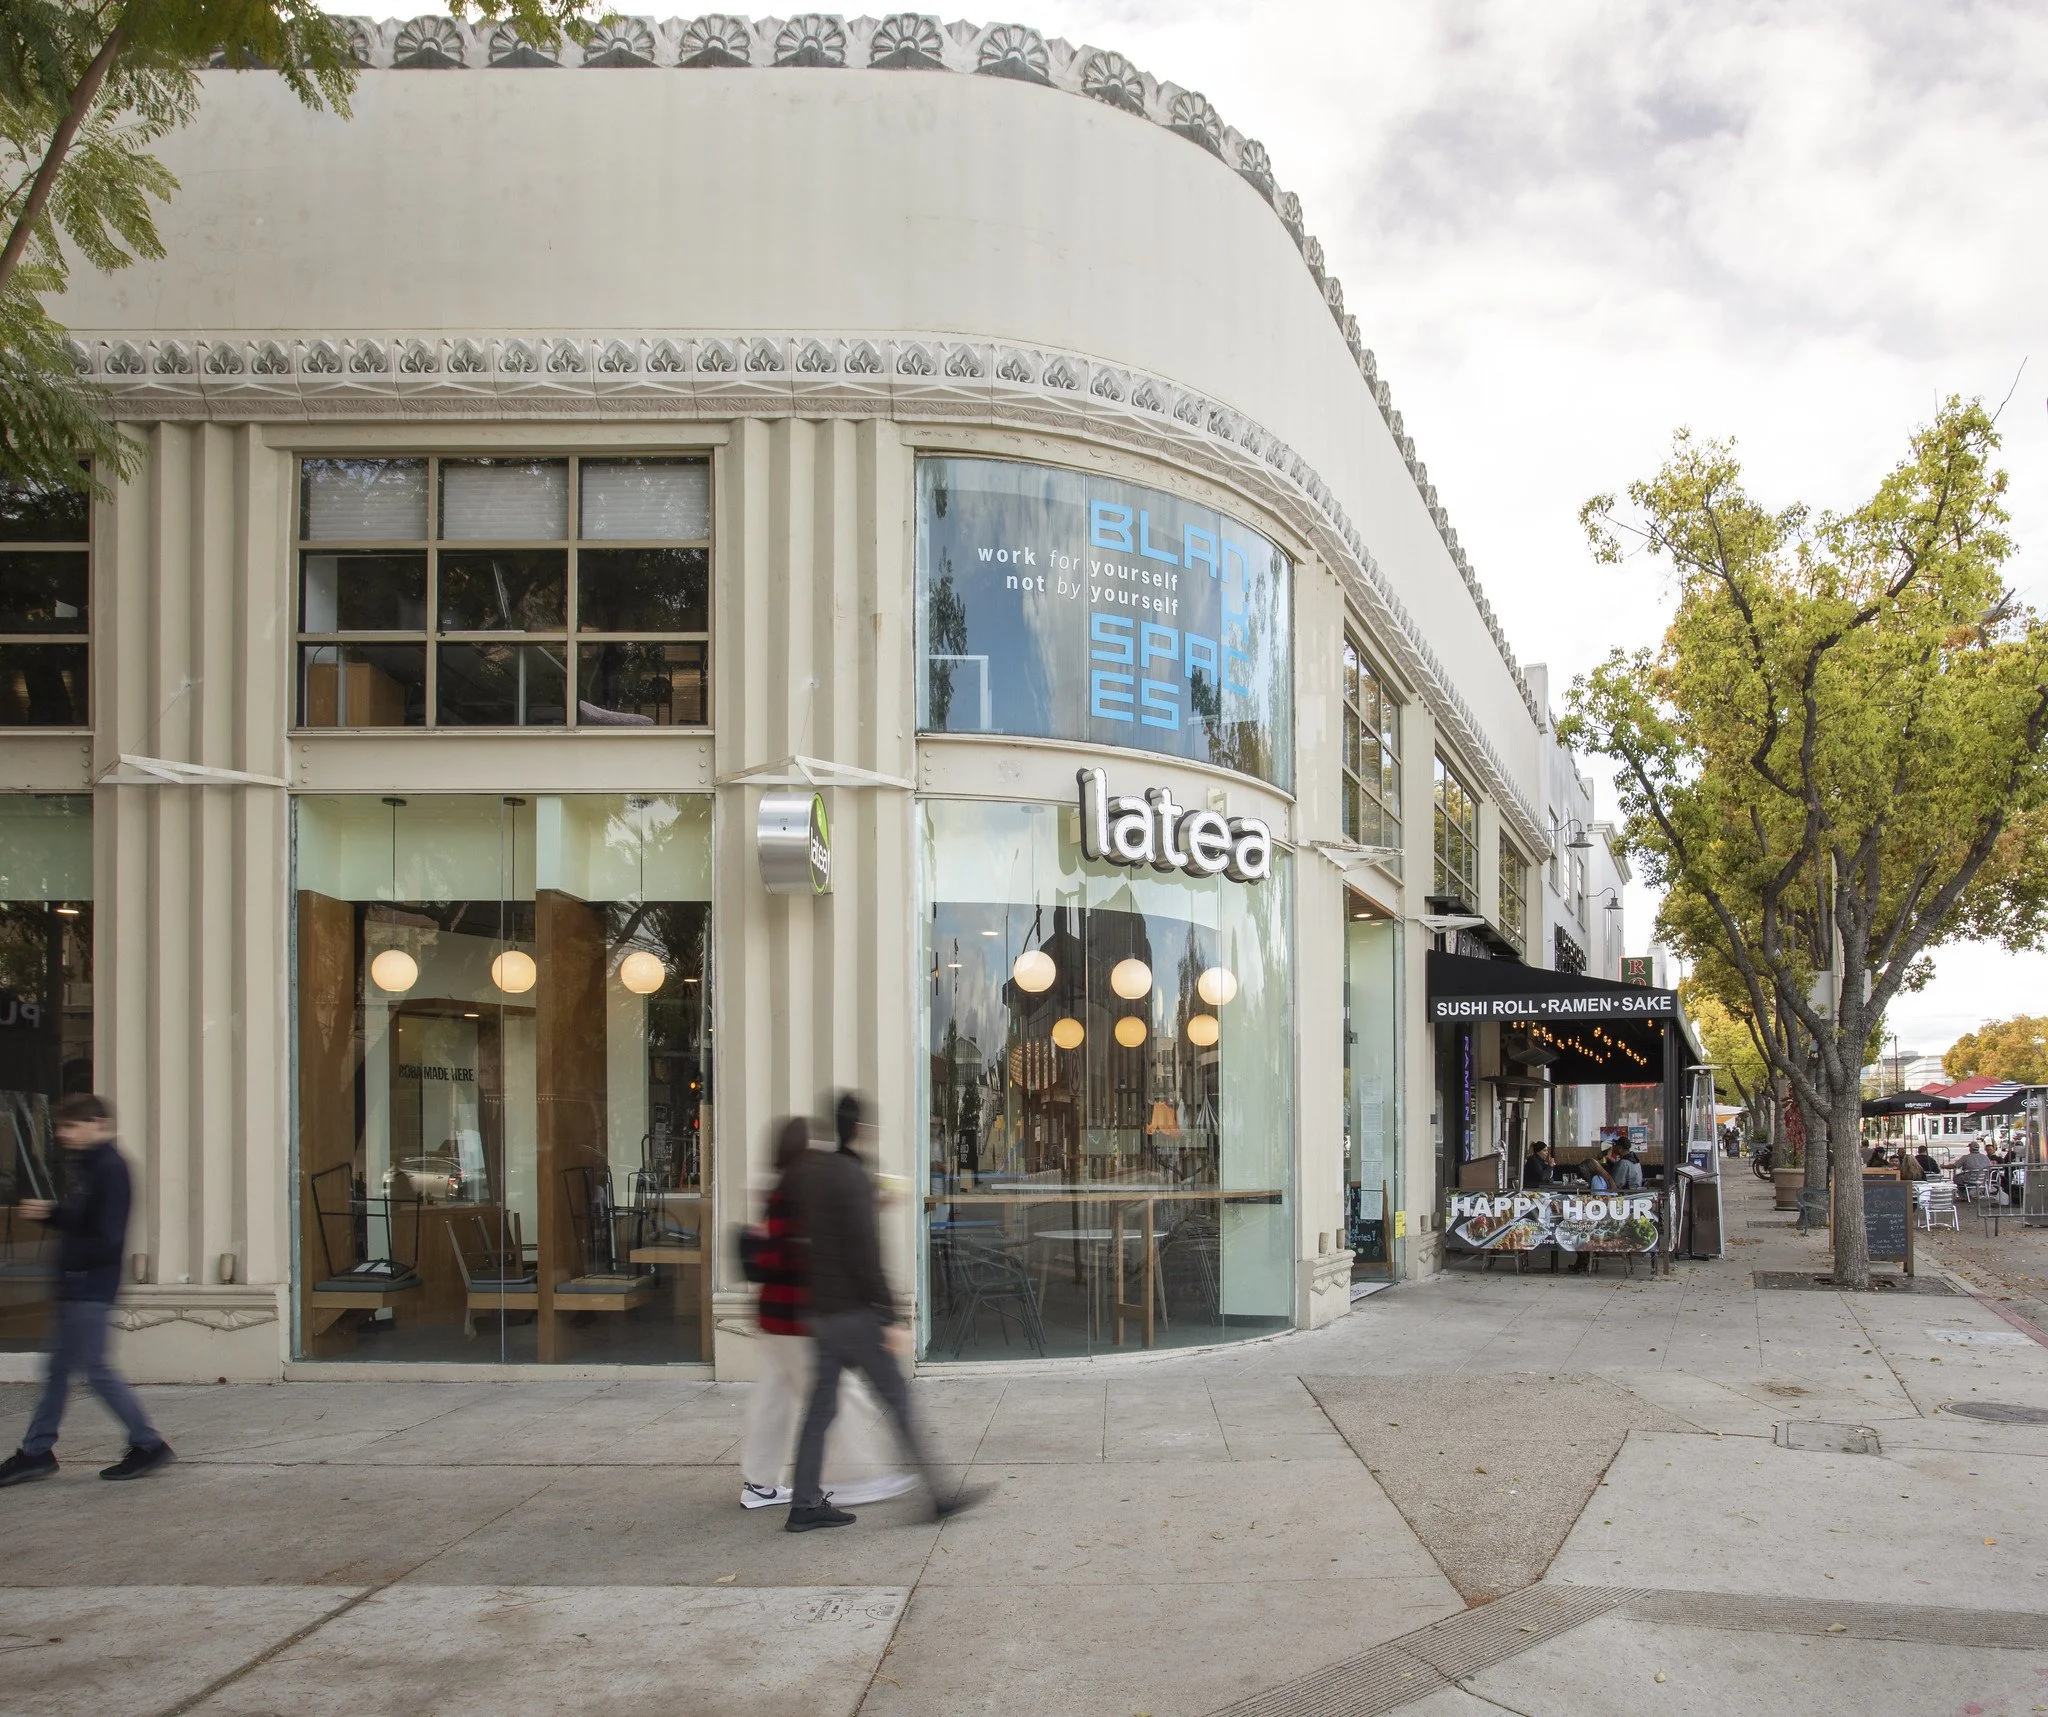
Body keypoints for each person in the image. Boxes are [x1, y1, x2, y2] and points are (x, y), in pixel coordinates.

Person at [783, 1092, 984, 1533]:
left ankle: (803, 1503)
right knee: (898, 1401)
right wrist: (891, 1316)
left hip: (822, 1310)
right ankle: (939, 1495)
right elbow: (864, 1252)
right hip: (854, 1315)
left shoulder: (816, 1173)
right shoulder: (852, 1177)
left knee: (819, 1410)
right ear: (859, 1130)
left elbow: (822, 1235)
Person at [739, 1118, 911, 1511]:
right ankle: (859, 1476)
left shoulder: (777, 1186)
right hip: (798, 1315)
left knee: (773, 1400)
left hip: (771, 1314)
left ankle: (760, 1483)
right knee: (838, 1396)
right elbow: (809, 1246)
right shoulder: (799, 1191)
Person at [0, 1096, 173, 1487]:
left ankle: (148, 1444)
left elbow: (108, 1238)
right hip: (78, 1285)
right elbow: (84, 1221)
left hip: (89, 1286)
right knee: (59, 1370)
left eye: (71, 1127)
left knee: (94, 1369)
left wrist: (75, 1259)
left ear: (97, 1123)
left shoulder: (110, 1169)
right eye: (61, 1127)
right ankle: (36, 1452)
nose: (62, 1134)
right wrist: (52, 1214)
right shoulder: (92, 1167)